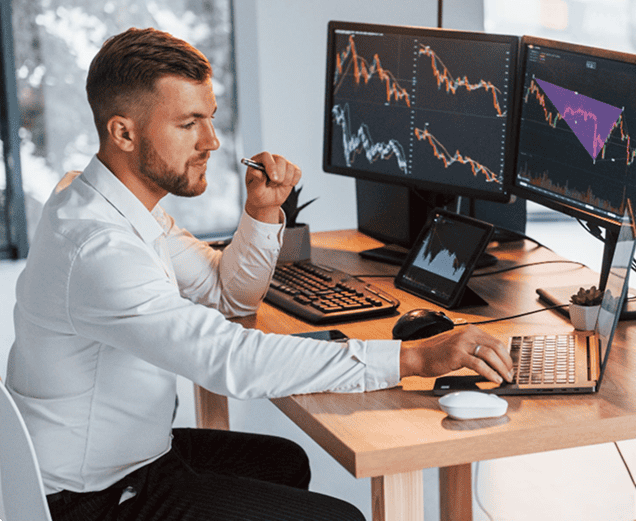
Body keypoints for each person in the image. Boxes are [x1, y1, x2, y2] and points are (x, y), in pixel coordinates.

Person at [5, 27, 513, 521]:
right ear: (123, 131)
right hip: (87, 498)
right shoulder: (100, 249)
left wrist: (263, 212)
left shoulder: (105, 200)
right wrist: (413, 356)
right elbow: (230, 359)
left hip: (124, 456)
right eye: (188, 124)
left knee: (282, 463)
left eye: (211, 118)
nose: (211, 141)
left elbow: (228, 296)